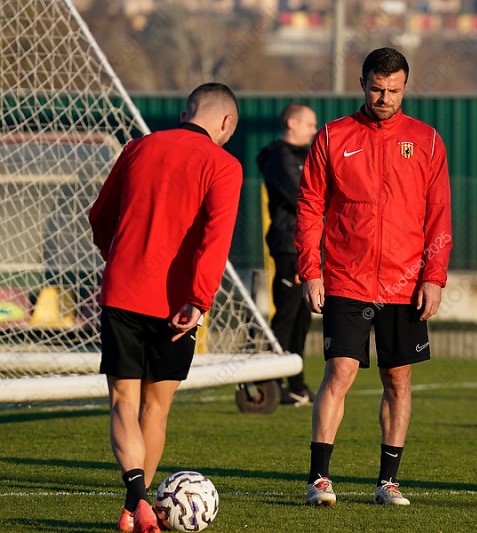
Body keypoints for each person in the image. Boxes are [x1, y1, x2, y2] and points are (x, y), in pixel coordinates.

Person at [295, 47, 452, 507]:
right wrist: (310, 270)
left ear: (406, 87)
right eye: (377, 89)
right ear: (362, 84)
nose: (385, 98)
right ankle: (319, 479)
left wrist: (434, 277)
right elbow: (310, 208)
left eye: (394, 90)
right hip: (347, 278)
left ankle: (388, 482)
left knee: (397, 380)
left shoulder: (426, 141)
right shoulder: (332, 136)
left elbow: (439, 215)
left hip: (406, 283)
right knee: (340, 371)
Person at [89, 83, 241, 533]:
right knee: (156, 409)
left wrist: (118, 259)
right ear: (226, 122)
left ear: (184, 113)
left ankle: (137, 501)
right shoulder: (224, 165)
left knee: (123, 400)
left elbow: (99, 216)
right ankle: (135, 505)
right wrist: (199, 299)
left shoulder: (137, 148)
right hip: (177, 305)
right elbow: (217, 240)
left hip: (122, 292)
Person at [256, 103, 318, 406]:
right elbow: (302, 199)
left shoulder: (305, 157)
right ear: (292, 123)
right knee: (287, 315)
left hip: (307, 247)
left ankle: (295, 383)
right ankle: (266, 380)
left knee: (302, 318)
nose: (314, 131)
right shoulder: (279, 158)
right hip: (288, 247)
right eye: (309, 124)